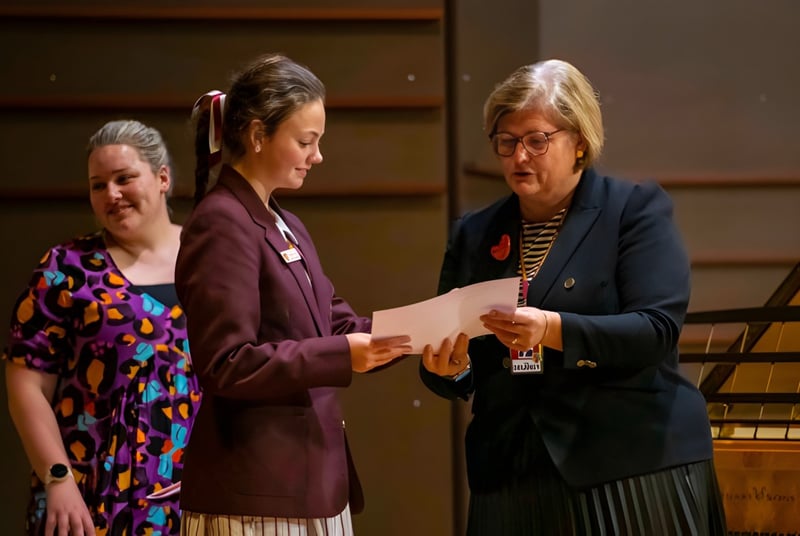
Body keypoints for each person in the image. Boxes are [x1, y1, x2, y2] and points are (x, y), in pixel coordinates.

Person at [420, 59, 728, 535]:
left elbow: (655, 331)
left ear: (579, 141)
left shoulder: (633, 210)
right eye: (506, 142)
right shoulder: (475, 233)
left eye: (536, 140)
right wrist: (451, 367)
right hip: (510, 471)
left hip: (625, 463)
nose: (519, 157)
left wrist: (551, 329)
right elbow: (456, 352)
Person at [175, 53, 412, 535]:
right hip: (256, 493)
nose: (317, 156)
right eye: (306, 141)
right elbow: (225, 363)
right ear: (258, 135)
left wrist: (426, 333)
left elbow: (337, 323)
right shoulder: (222, 221)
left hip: (309, 485)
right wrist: (342, 355)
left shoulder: (285, 222)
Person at [4, 119, 202, 535]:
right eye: (98, 185)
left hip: (200, 495)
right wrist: (58, 479)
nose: (111, 194)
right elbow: (27, 386)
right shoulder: (66, 268)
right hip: (89, 497)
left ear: (162, 178)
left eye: (124, 178)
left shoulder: (213, 257)